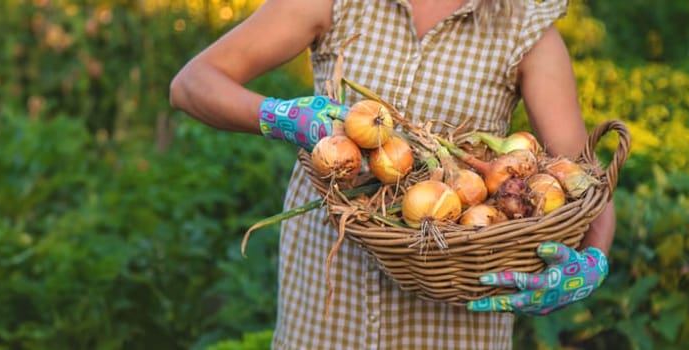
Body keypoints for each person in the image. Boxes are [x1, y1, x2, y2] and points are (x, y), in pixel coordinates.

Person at [169, 0, 614, 347]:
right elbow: (192, 83)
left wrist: (590, 264)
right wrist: (283, 117)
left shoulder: (526, 28)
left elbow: (583, 182)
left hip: (452, 334)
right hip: (323, 323)